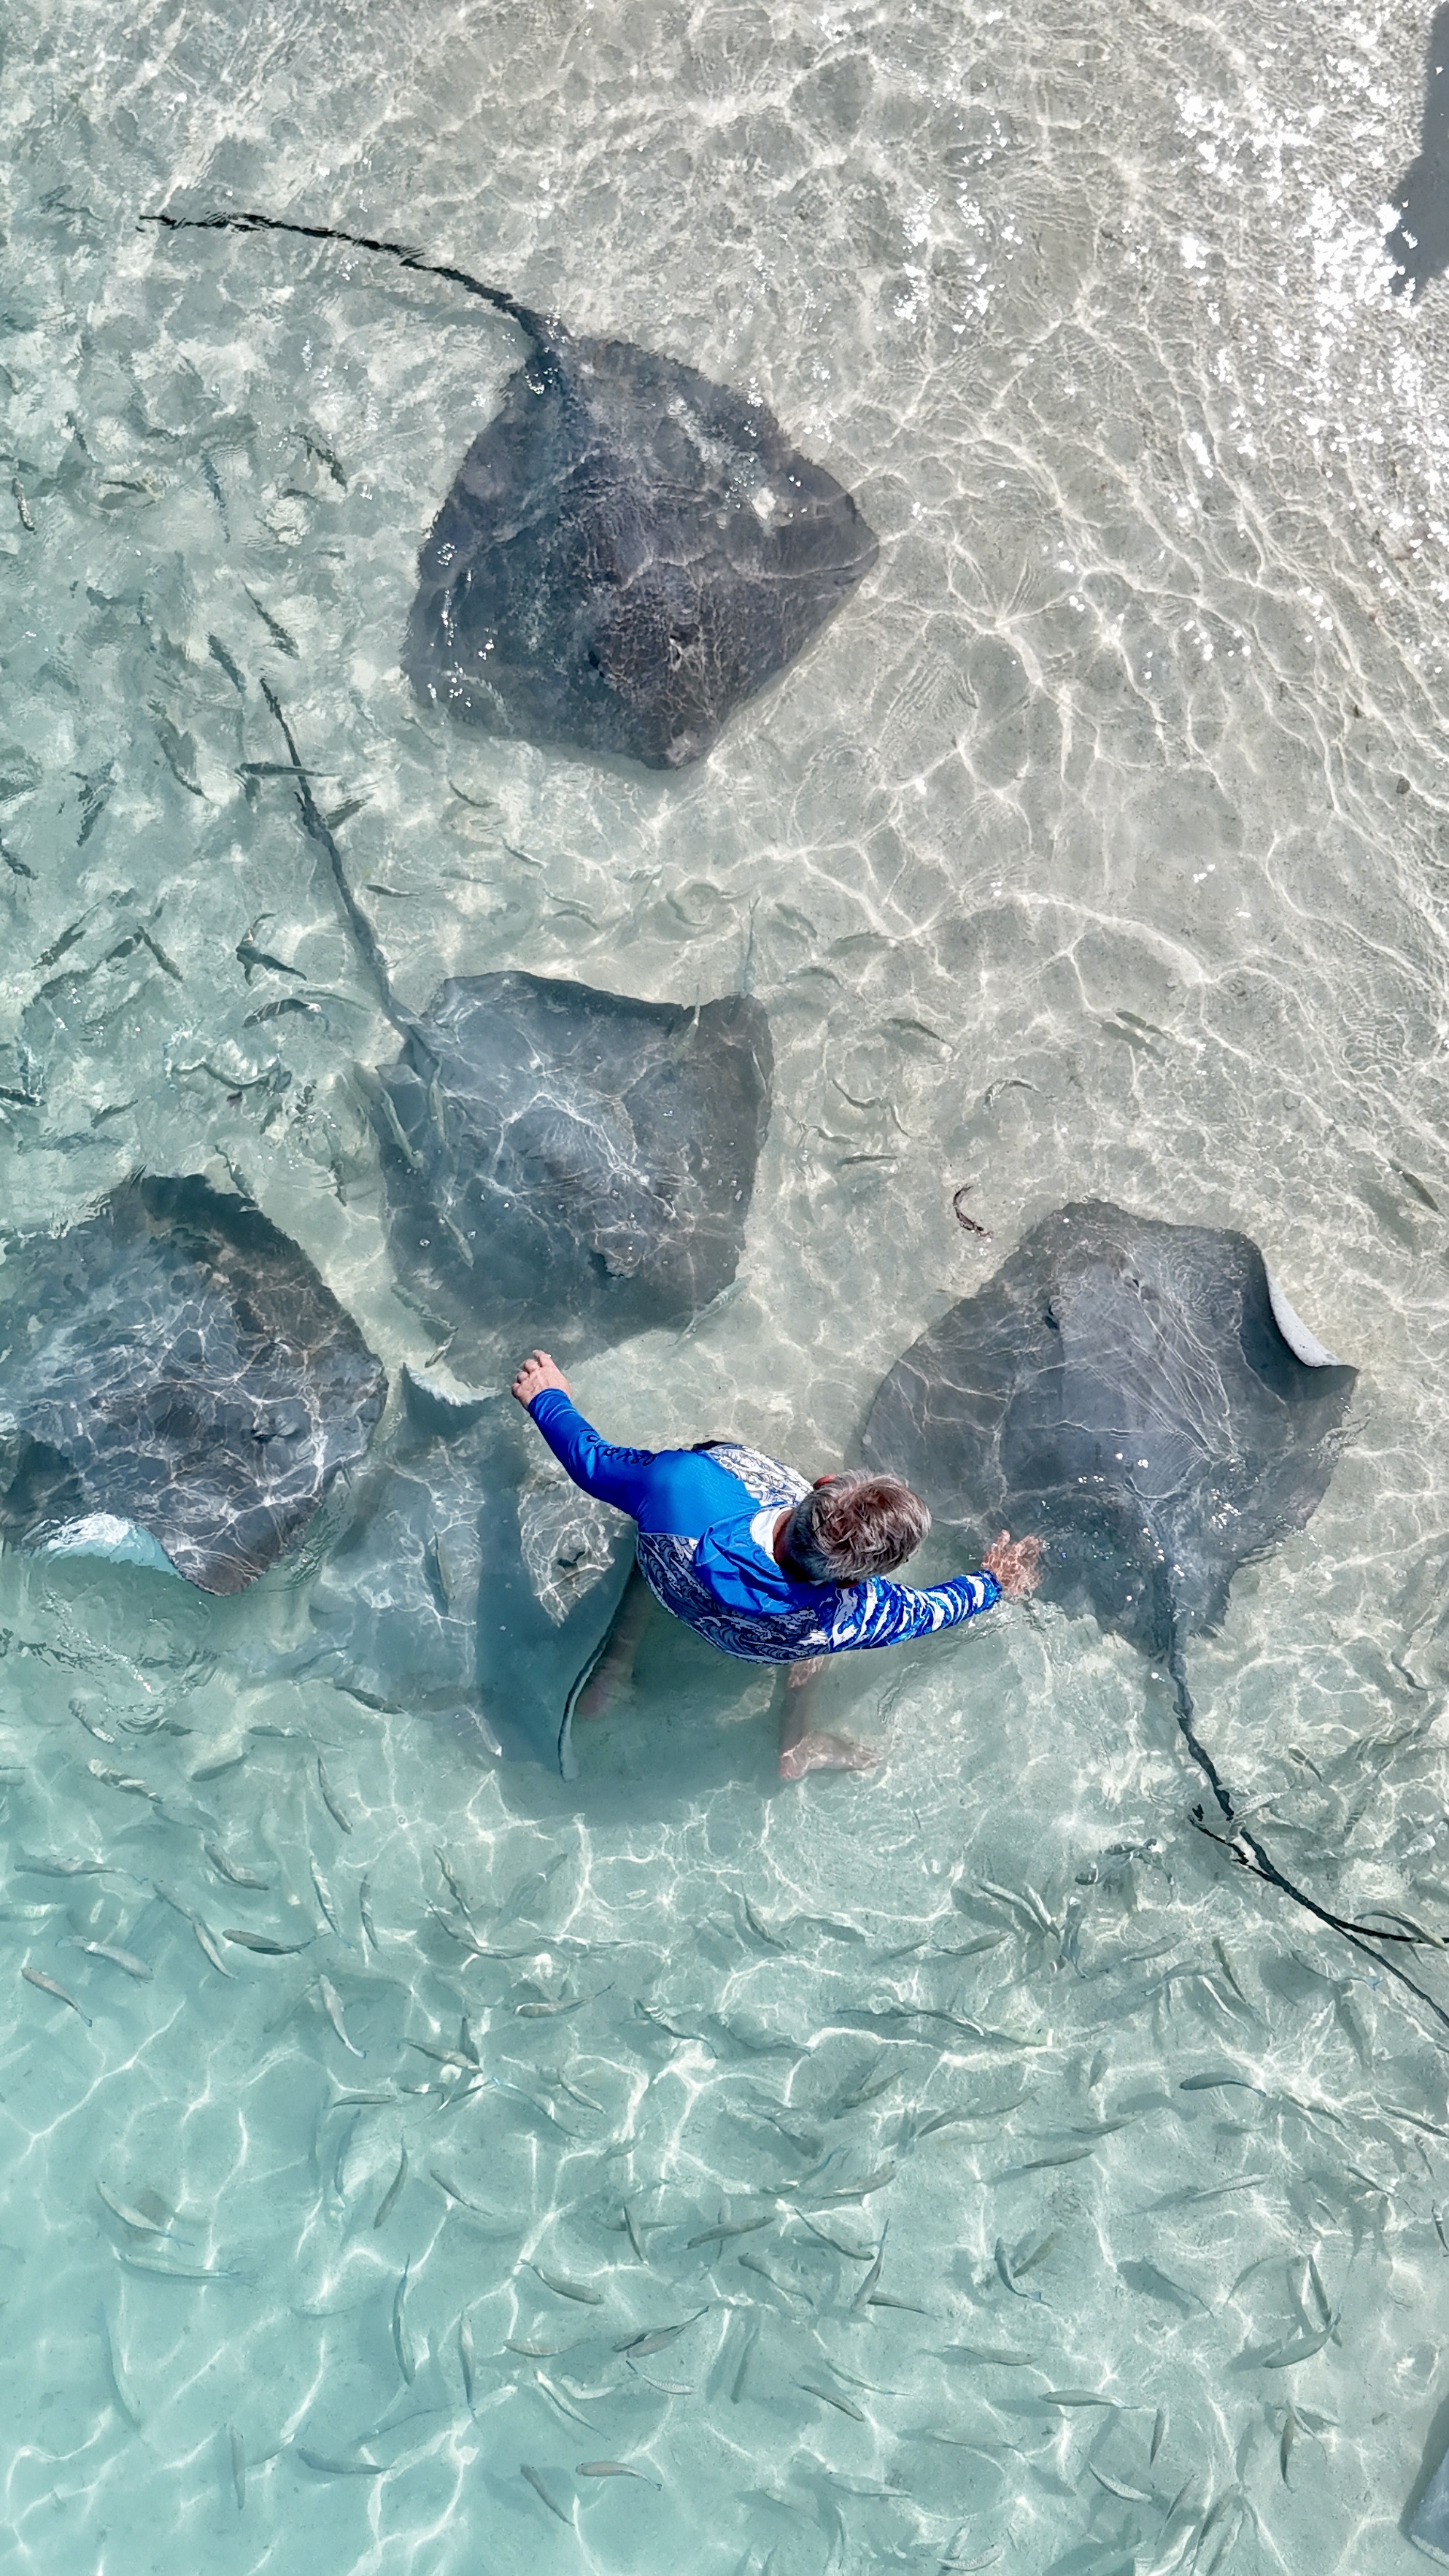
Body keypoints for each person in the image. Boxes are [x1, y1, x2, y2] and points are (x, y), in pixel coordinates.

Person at [511, 1348, 1043, 1780]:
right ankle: (797, 1743)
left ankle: (614, 1666)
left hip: (673, 1571)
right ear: (862, 1575)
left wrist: (547, 1398)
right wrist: (995, 1580)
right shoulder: (853, 1611)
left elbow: (592, 1462)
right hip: (754, 1642)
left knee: (652, 1550)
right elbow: (935, 1609)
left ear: (823, 1484)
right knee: (821, 1646)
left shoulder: (679, 1486)